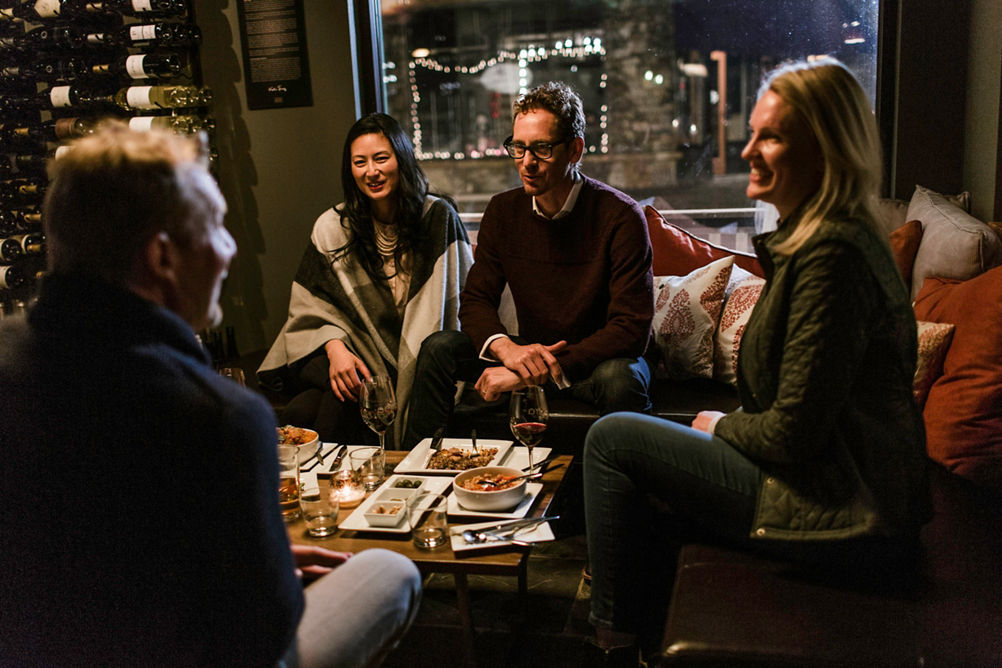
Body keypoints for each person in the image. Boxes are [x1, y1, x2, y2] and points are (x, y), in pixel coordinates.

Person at [0, 124, 421, 667]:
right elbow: (260, 635)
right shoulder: (219, 417)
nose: (229, 251)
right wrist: (263, 571)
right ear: (163, 258)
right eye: (218, 228)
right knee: (393, 570)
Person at [583, 58, 931, 657]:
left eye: (769, 136)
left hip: (844, 506)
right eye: (752, 133)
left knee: (612, 439)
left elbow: (792, 433)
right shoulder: (823, 242)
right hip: (834, 479)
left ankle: (610, 640)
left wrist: (721, 424)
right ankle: (635, 623)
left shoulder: (833, 258)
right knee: (637, 438)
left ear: (825, 149)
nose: (747, 151)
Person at [403, 81, 654, 447]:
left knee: (622, 378)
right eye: (518, 148)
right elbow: (476, 301)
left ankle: (631, 499)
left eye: (542, 149)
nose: (527, 163)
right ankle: (416, 475)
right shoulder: (504, 211)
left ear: (575, 150)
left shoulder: (620, 216)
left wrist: (527, 376)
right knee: (439, 347)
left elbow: (631, 329)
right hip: (530, 351)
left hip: (596, 362)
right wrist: (508, 350)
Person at [258, 113, 473, 448]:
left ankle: (331, 487)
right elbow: (309, 312)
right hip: (343, 352)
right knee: (350, 378)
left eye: (381, 158)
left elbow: (464, 298)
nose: (371, 171)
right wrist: (335, 347)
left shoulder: (437, 218)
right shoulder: (332, 227)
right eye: (360, 162)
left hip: (418, 357)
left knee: (309, 407)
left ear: (401, 160)